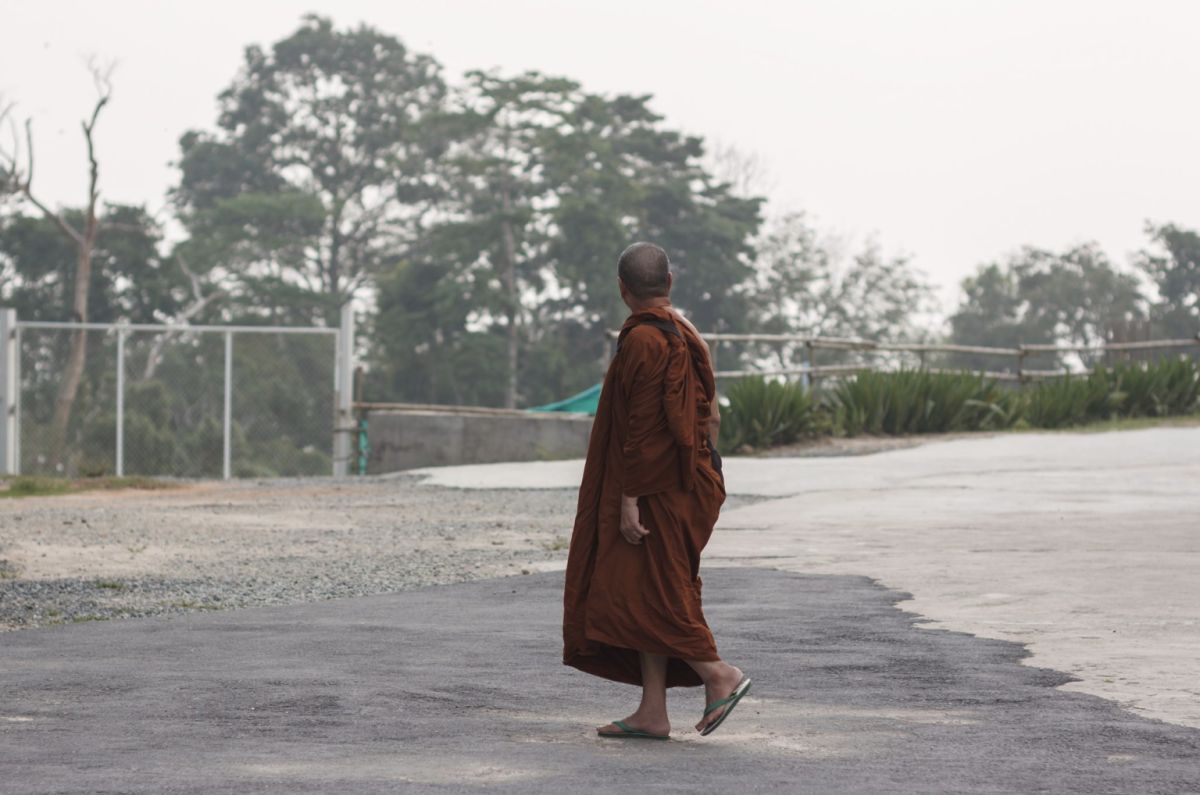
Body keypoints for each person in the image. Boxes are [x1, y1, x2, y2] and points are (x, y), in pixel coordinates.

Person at [562, 241, 751, 740]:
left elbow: (643, 428)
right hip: (691, 480)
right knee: (644, 587)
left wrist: (628, 500)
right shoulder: (686, 332)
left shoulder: (646, 341)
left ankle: (719, 674)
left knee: (658, 592)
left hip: (658, 488)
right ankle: (652, 711)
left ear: (622, 290)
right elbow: (705, 417)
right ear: (669, 284)